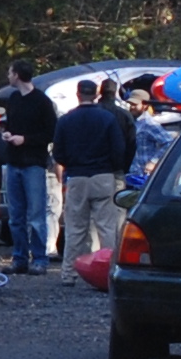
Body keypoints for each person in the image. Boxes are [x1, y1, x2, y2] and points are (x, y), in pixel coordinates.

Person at [54, 79, 136, 268]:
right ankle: (109, 269)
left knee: (75, 229)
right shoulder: (107, 119)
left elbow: (58, 153)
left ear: (78, 94)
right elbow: (119, 149)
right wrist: (114, 166)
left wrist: (72, 164)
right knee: (107, 227)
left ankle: (69, 272)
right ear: (96, 95)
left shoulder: (66, 120)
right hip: (103, 175)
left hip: (77, 176)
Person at [0, 63, 59, 273]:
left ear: (18, 75)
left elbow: (51, 132)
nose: (8, 76)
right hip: (14, 162)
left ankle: (40, 258)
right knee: (15, 216)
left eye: (10, 72)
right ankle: (19, 257)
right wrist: (8, 134)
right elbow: (11, 124)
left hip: (33, 163)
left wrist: (26, 140)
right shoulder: (13, 99)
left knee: (37, 215)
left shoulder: (42, 102)